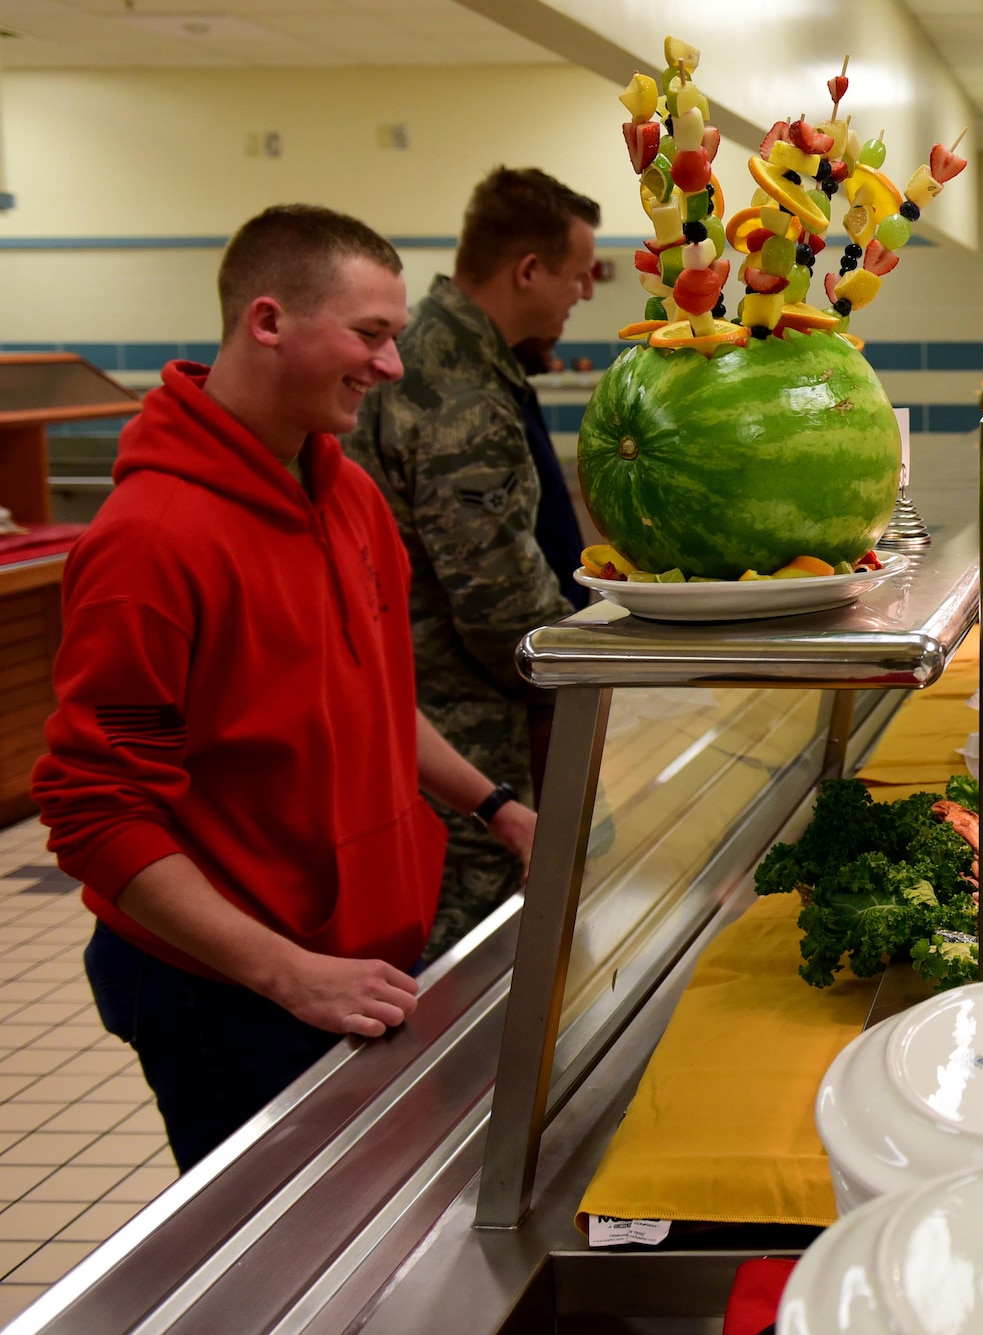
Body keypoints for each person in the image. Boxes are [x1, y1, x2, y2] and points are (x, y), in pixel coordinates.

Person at [32, 205, 538, 1170]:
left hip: (357, 955)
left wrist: (498, 806)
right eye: (370, 335)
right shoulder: (153, 542)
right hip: (232, 986)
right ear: (268, 322)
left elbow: (379, 700)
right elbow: (98, 812)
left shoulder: (343, 494)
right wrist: (288, 974)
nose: (391, 366)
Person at [346, 167, 600, 958]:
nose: (584, 295)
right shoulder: (456, 388)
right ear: (528, 270)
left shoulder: (459, 360)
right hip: (466, 732)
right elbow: (499, 605)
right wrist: (597, 666)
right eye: (578, 274)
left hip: (446, 723)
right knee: (473, 959)